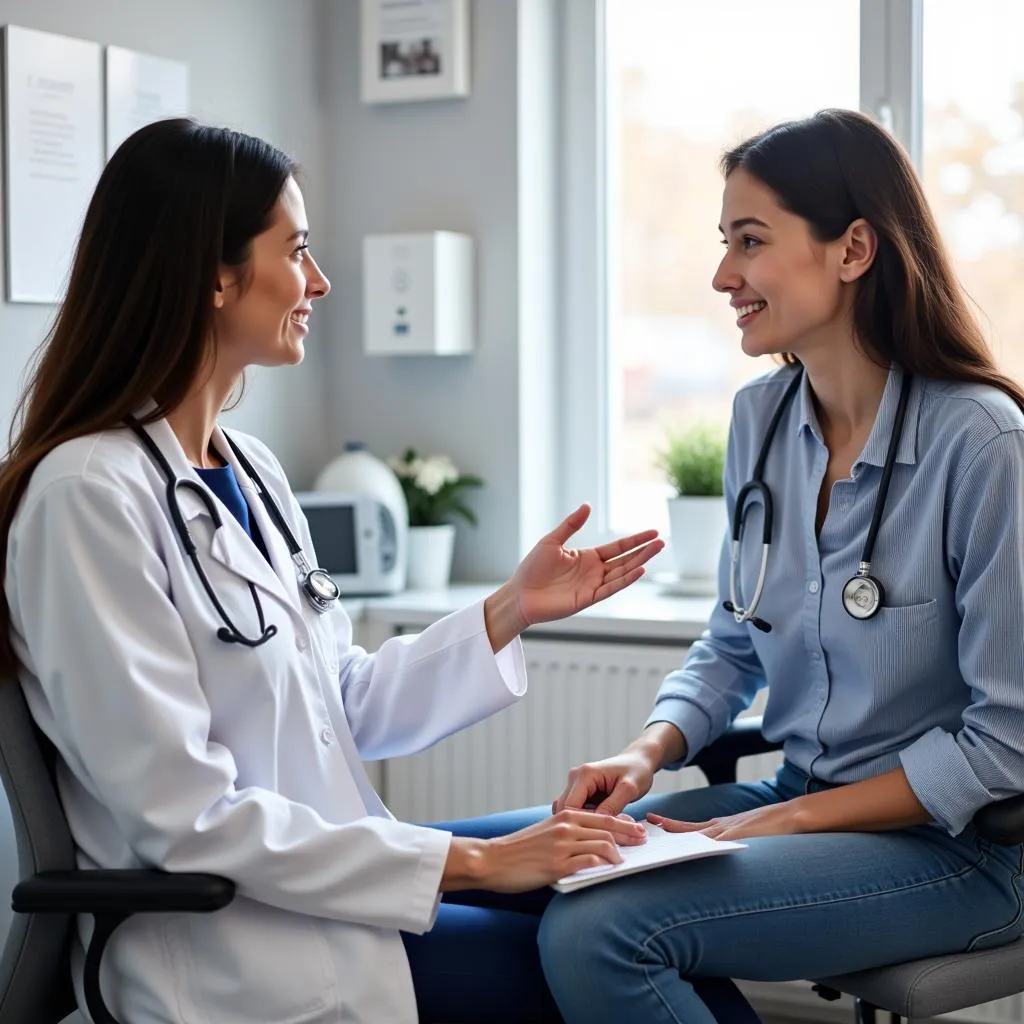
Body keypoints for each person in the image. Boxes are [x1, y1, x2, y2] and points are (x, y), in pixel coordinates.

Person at [0, 119, 671, 1024]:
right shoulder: (87, 496)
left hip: (325, 889)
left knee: (629, 884)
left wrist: (511, 608)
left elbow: (342, 705)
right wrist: (474, 862)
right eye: (299, 251)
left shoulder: (252, 474)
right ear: (215, 273)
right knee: (618, 955)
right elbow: (184, 817)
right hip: (234, 948)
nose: (318, 282)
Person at [458, 108, 1024, 1024]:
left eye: (750, 242)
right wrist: (642, 755)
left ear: (853, 250)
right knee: (480, 861)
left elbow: (1007, 743)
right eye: (726, 243)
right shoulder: (761, 422)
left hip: (953, 849)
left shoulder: (983, 444)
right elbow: (732, 644)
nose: (724, 276)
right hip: (789, 796)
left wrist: (789, 820)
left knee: (598, 929)